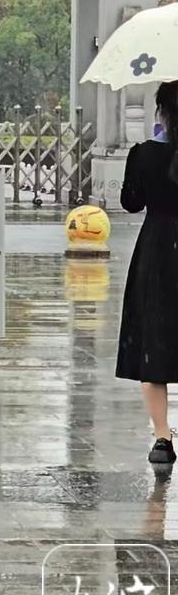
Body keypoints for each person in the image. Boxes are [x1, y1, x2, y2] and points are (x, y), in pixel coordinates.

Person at [117, 80, 178, 465]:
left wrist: (141, 161)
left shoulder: (143, 154)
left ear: (161, 112)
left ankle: (162, 438)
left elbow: (130, 202)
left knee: (154, 340)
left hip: (157, 251)